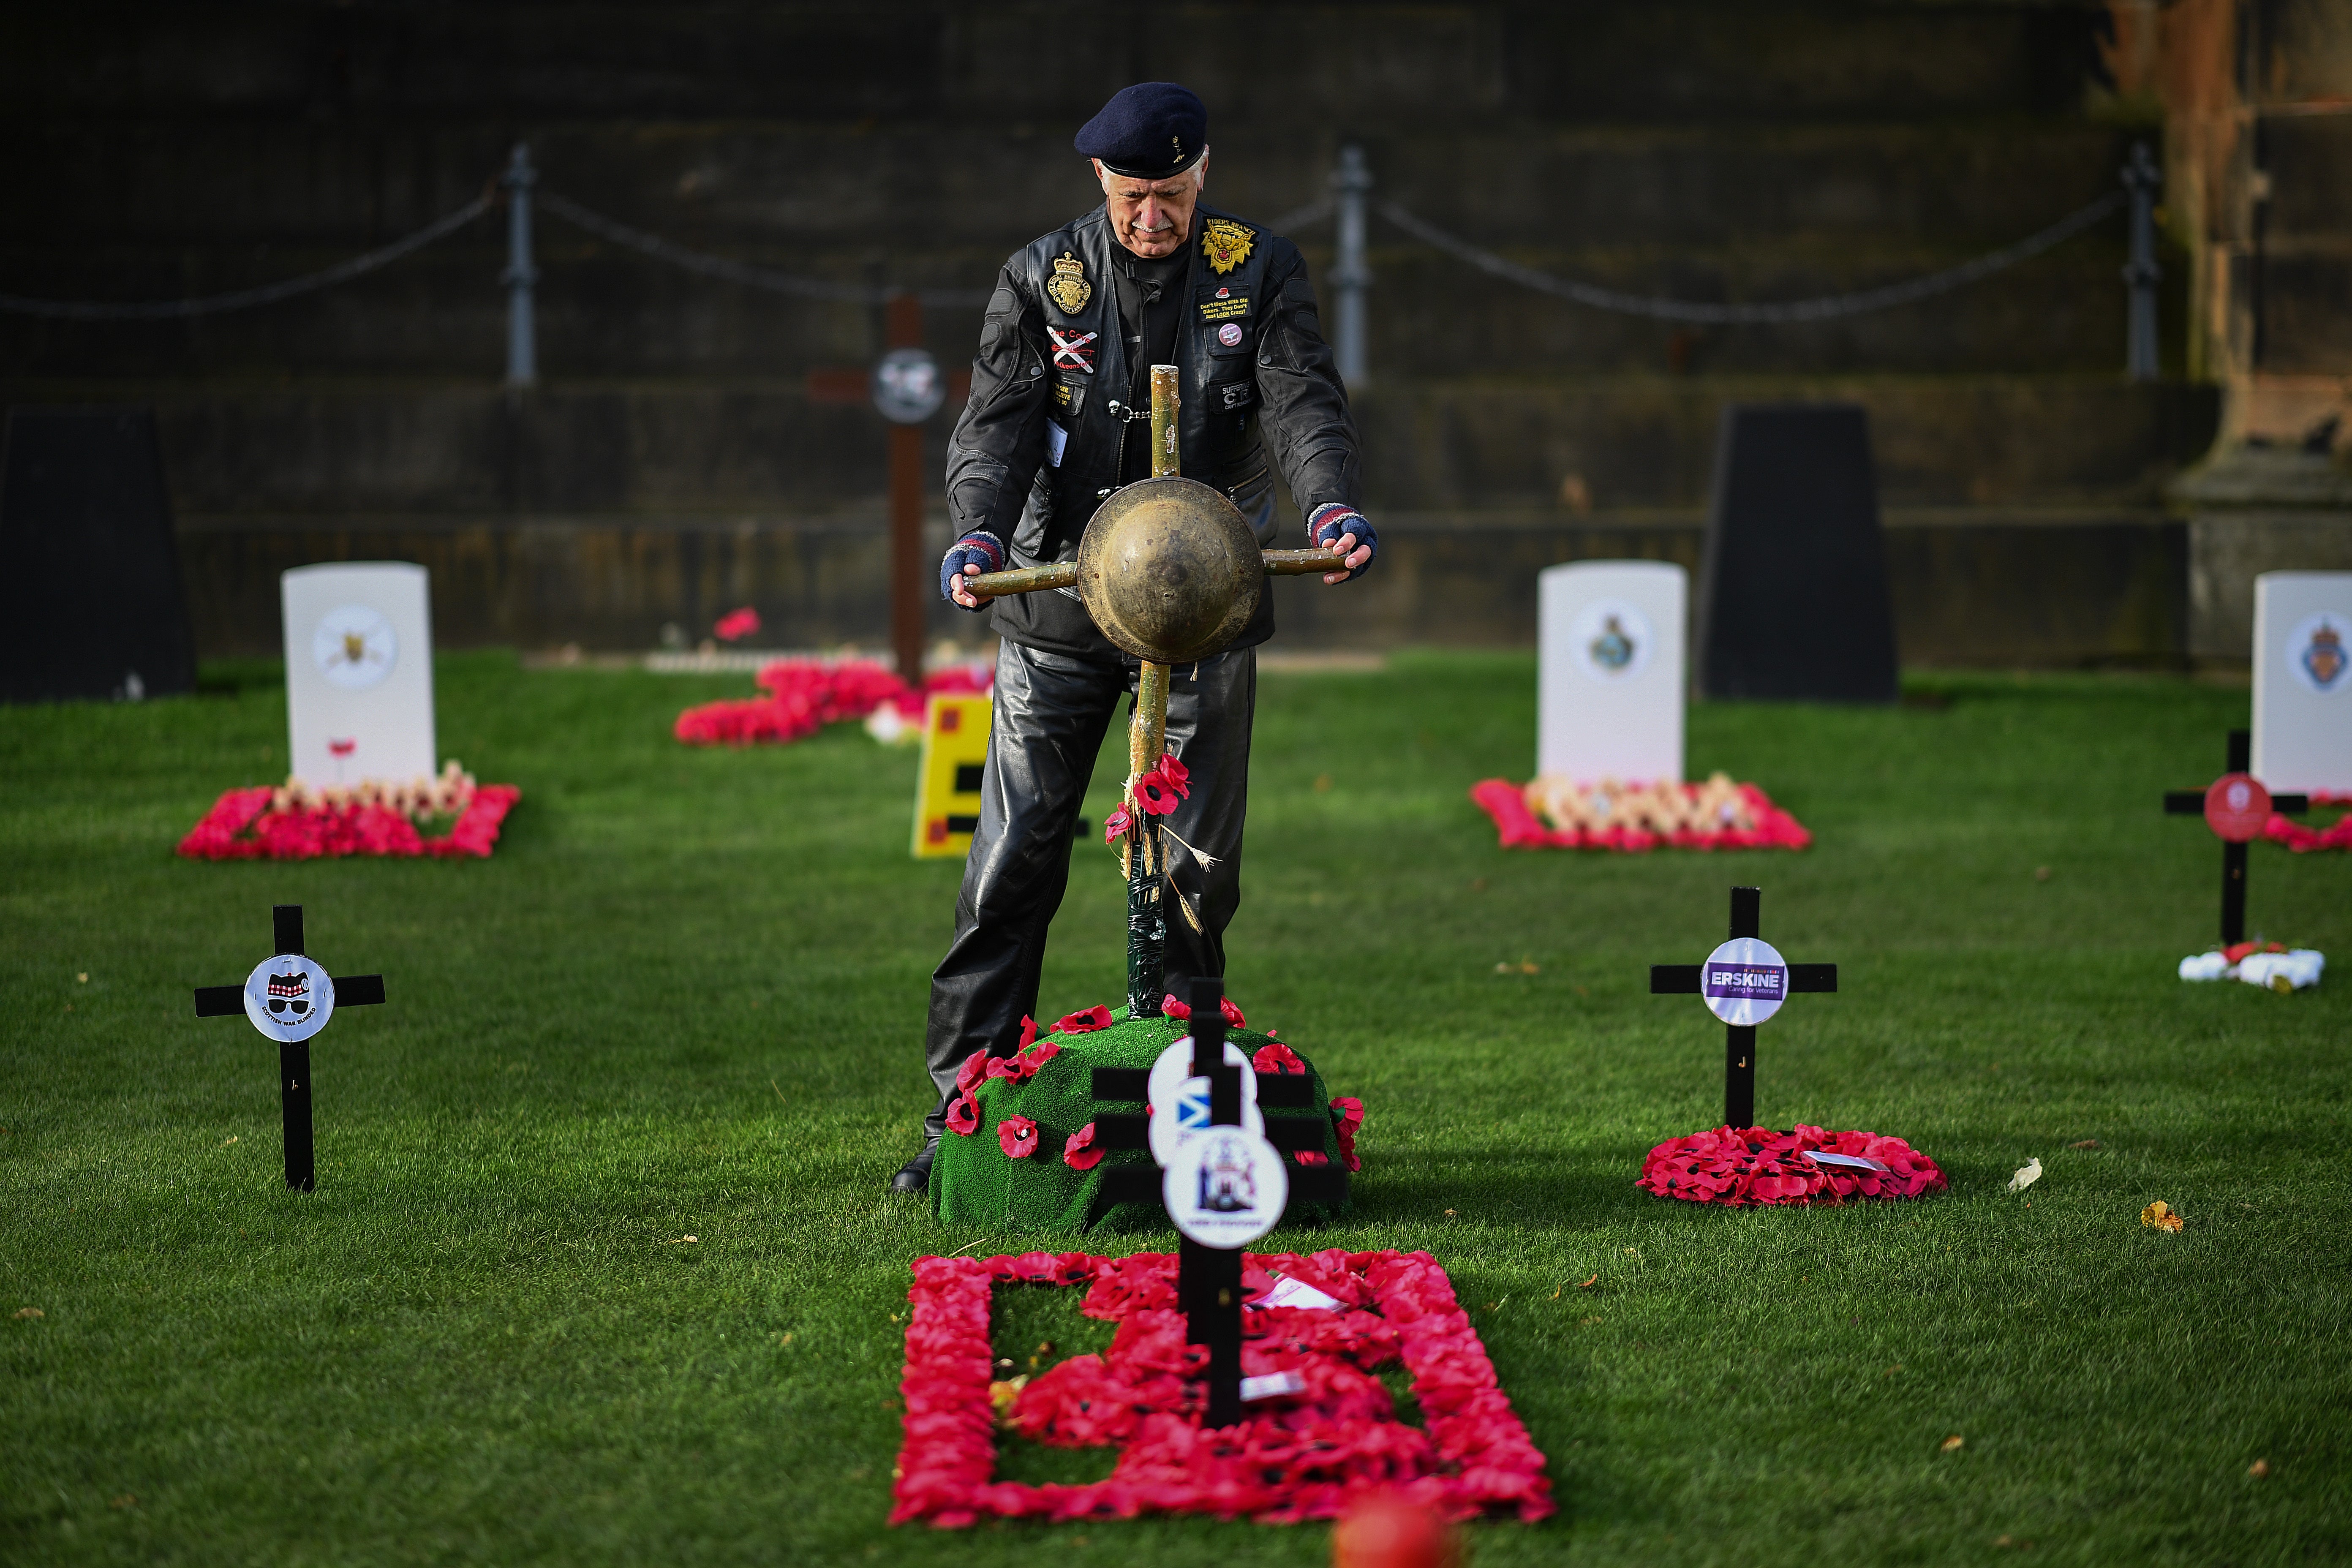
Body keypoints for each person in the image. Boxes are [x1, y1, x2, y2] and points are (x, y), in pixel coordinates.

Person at [891, 82, 1375, 1195]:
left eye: (1169, 195)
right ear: (1099, 182)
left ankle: (1191, 1095)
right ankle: (959, 1114)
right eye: (1131, 196)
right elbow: (997, 429)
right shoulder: (1039, 277)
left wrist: (1332, 506)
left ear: (1203, 174)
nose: (1150, 218)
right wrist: (974, 536)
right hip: (1057, 605)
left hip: (1205, 604)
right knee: (1010, 863)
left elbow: (1303, 402)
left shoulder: (1262, 269)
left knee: (1196, 868)